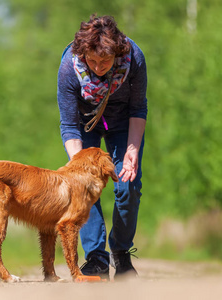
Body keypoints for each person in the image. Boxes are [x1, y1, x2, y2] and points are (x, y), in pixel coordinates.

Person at [57, 15, 147, 279]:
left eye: (104, 61)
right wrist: (79, 166)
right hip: (84, 127)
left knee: (128, 185)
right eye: (92, 60)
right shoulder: (69, 66)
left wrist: (131, 151)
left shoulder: (134, 59)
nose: (97, 66)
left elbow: (138, 108)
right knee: (82, 186)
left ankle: (121, 252)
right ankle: (96, 257)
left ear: (116, 53)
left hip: (122, 124)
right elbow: (69, 124)